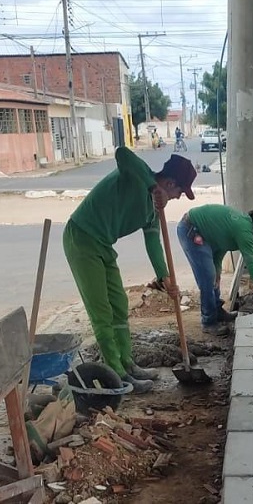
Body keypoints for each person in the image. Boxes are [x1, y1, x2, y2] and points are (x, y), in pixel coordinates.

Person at [63, 147, 197, 393]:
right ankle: (117, 374)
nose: (178, 197)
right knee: (102, 311)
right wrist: (152, 187)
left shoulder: (153, 211)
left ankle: (127, 363)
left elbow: (154, 243)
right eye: (179, 191)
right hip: (81, 238)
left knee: (119, 305)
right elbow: (122, 153)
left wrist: (164, 277)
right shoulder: (137, 175)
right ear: (168, 183)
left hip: (103, 244)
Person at [177, 204, 253, 336]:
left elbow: (221, 244)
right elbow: (252, 264)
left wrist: (218, 269)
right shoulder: (244, 231)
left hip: (205, 234)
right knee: (208, 278)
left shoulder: (241, 226)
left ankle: (218, 312)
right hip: (191, 230)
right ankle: (208, 322)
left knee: (214, 275)